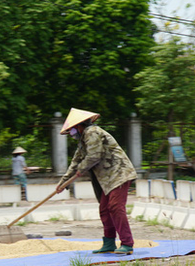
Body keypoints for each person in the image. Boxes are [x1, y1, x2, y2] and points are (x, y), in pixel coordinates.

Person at [56, 108, 137, 255]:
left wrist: (81, 169)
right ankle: (109, 243)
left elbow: (94, 155)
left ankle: (127, 243)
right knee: (105, 210)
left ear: (79, 126)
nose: (72, 134)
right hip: (107, 179)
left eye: (72, 130)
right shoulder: (83, 142)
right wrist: (63, 183)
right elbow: (76, 163)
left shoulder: (92, 132)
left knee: (115, 207)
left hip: (119, 173)